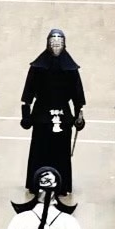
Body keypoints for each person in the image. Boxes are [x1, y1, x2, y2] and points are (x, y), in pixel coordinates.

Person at [20, 30, 86, 196]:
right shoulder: (37, 67)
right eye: (53, 43)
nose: (56, 47)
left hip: (63, 115)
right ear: (48, 44)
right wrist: (26, 115)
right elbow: (28, 94)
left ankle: (62, 184)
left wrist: (79, 115)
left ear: (64, 45)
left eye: (59, 44)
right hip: (41, 114)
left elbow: (77, 96)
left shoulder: (71, 69)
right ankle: (36, 182)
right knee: (39, 150)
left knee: (61, 152)